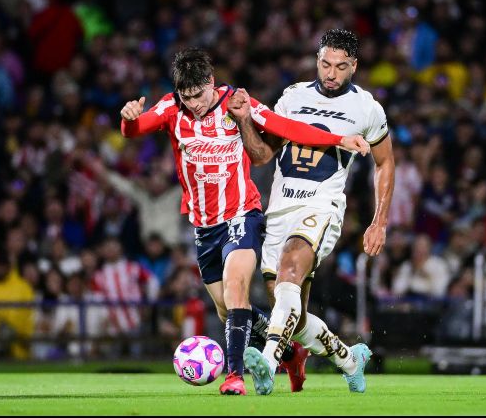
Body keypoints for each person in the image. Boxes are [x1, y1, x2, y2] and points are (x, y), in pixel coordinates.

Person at [119, 47, 369, 395]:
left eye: (198, 95)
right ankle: (290, 351)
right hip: (204, 226)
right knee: (228, 312)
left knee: (237, 292)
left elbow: (286, 127)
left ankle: (234, 376)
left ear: (211, 82)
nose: (193, 103)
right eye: (185, 97)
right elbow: (134, 130)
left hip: (241, 214)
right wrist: (129, 118)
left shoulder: (236, 103)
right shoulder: (171, 107)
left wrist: (338, 138)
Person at [230, 28, 395, 394]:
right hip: (280, 207)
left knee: (291, 268)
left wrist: (379, 221)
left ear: (354, 66)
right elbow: (262, 155)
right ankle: (351, 360)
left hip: (323, 206)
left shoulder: (367, 108)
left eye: (340, 67)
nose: (331, 73)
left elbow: (385, 163)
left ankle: (267, 364)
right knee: (292, 313)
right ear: (316, 60)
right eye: (324, 64)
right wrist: (244, 121)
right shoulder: (292, 97)